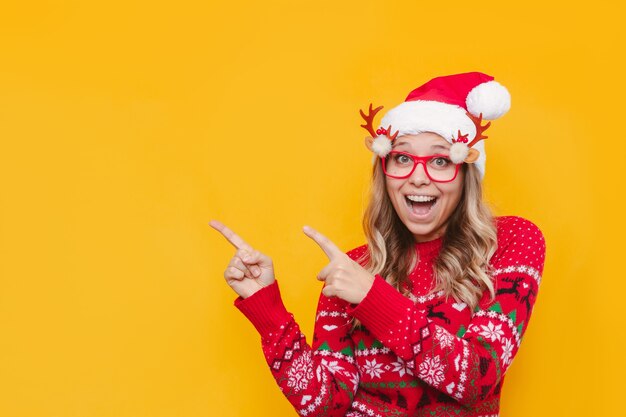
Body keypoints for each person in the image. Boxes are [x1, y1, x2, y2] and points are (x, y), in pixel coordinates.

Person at [210, 72, 546, 417]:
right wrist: (269, 311)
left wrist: (372, 297)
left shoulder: (511, 241)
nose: (418, 176)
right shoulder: (353, 268)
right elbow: (325, 406)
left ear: (464, 176)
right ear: (384, 173)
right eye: (402, 158)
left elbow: (476, 379)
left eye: (440, 160)